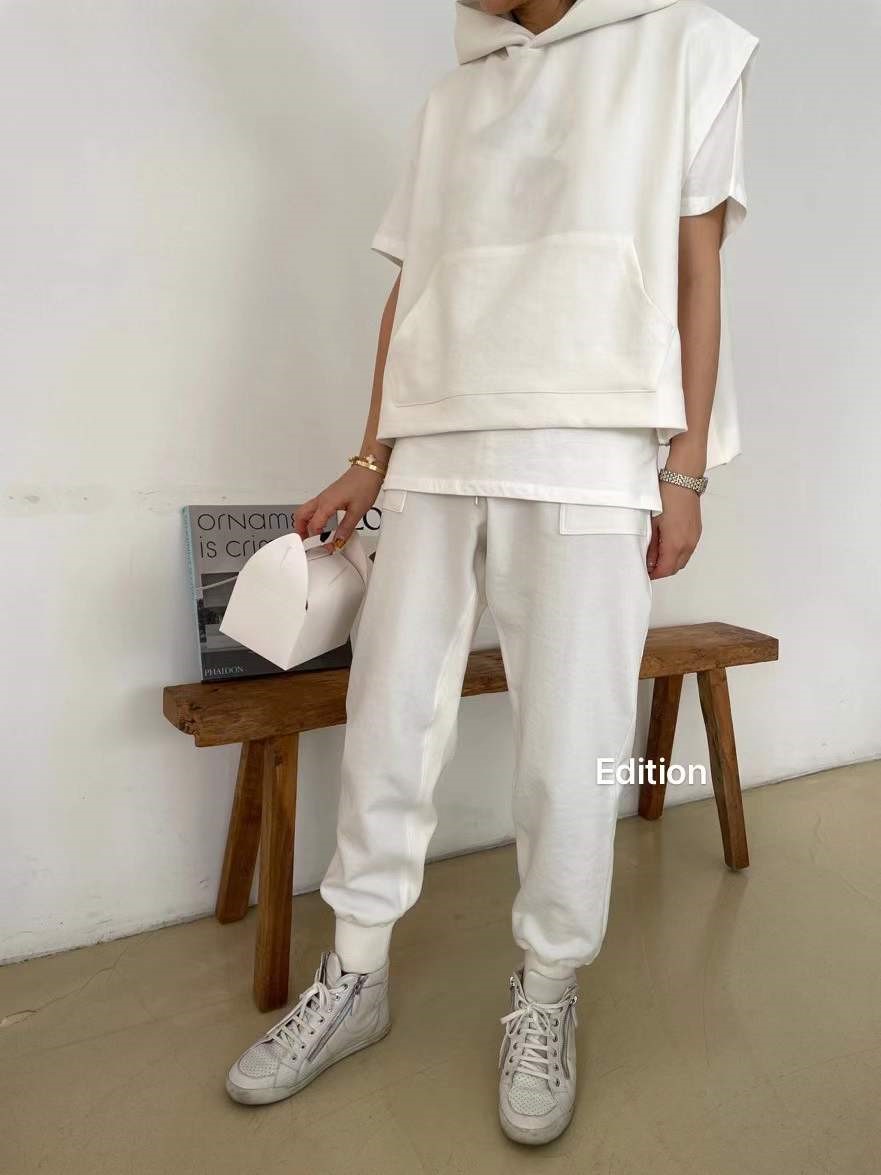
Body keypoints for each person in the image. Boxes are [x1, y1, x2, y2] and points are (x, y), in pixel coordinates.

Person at [225, 0, 759, 1146]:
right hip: (434, 444)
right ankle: (354, 970)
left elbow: (696, 270)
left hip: (590, 448)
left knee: (571, 742)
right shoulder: (450, 99)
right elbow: (411, 287)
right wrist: (369, 455)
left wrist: (684, 471)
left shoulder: (686, 48)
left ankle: (547, 985)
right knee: (387, 721)